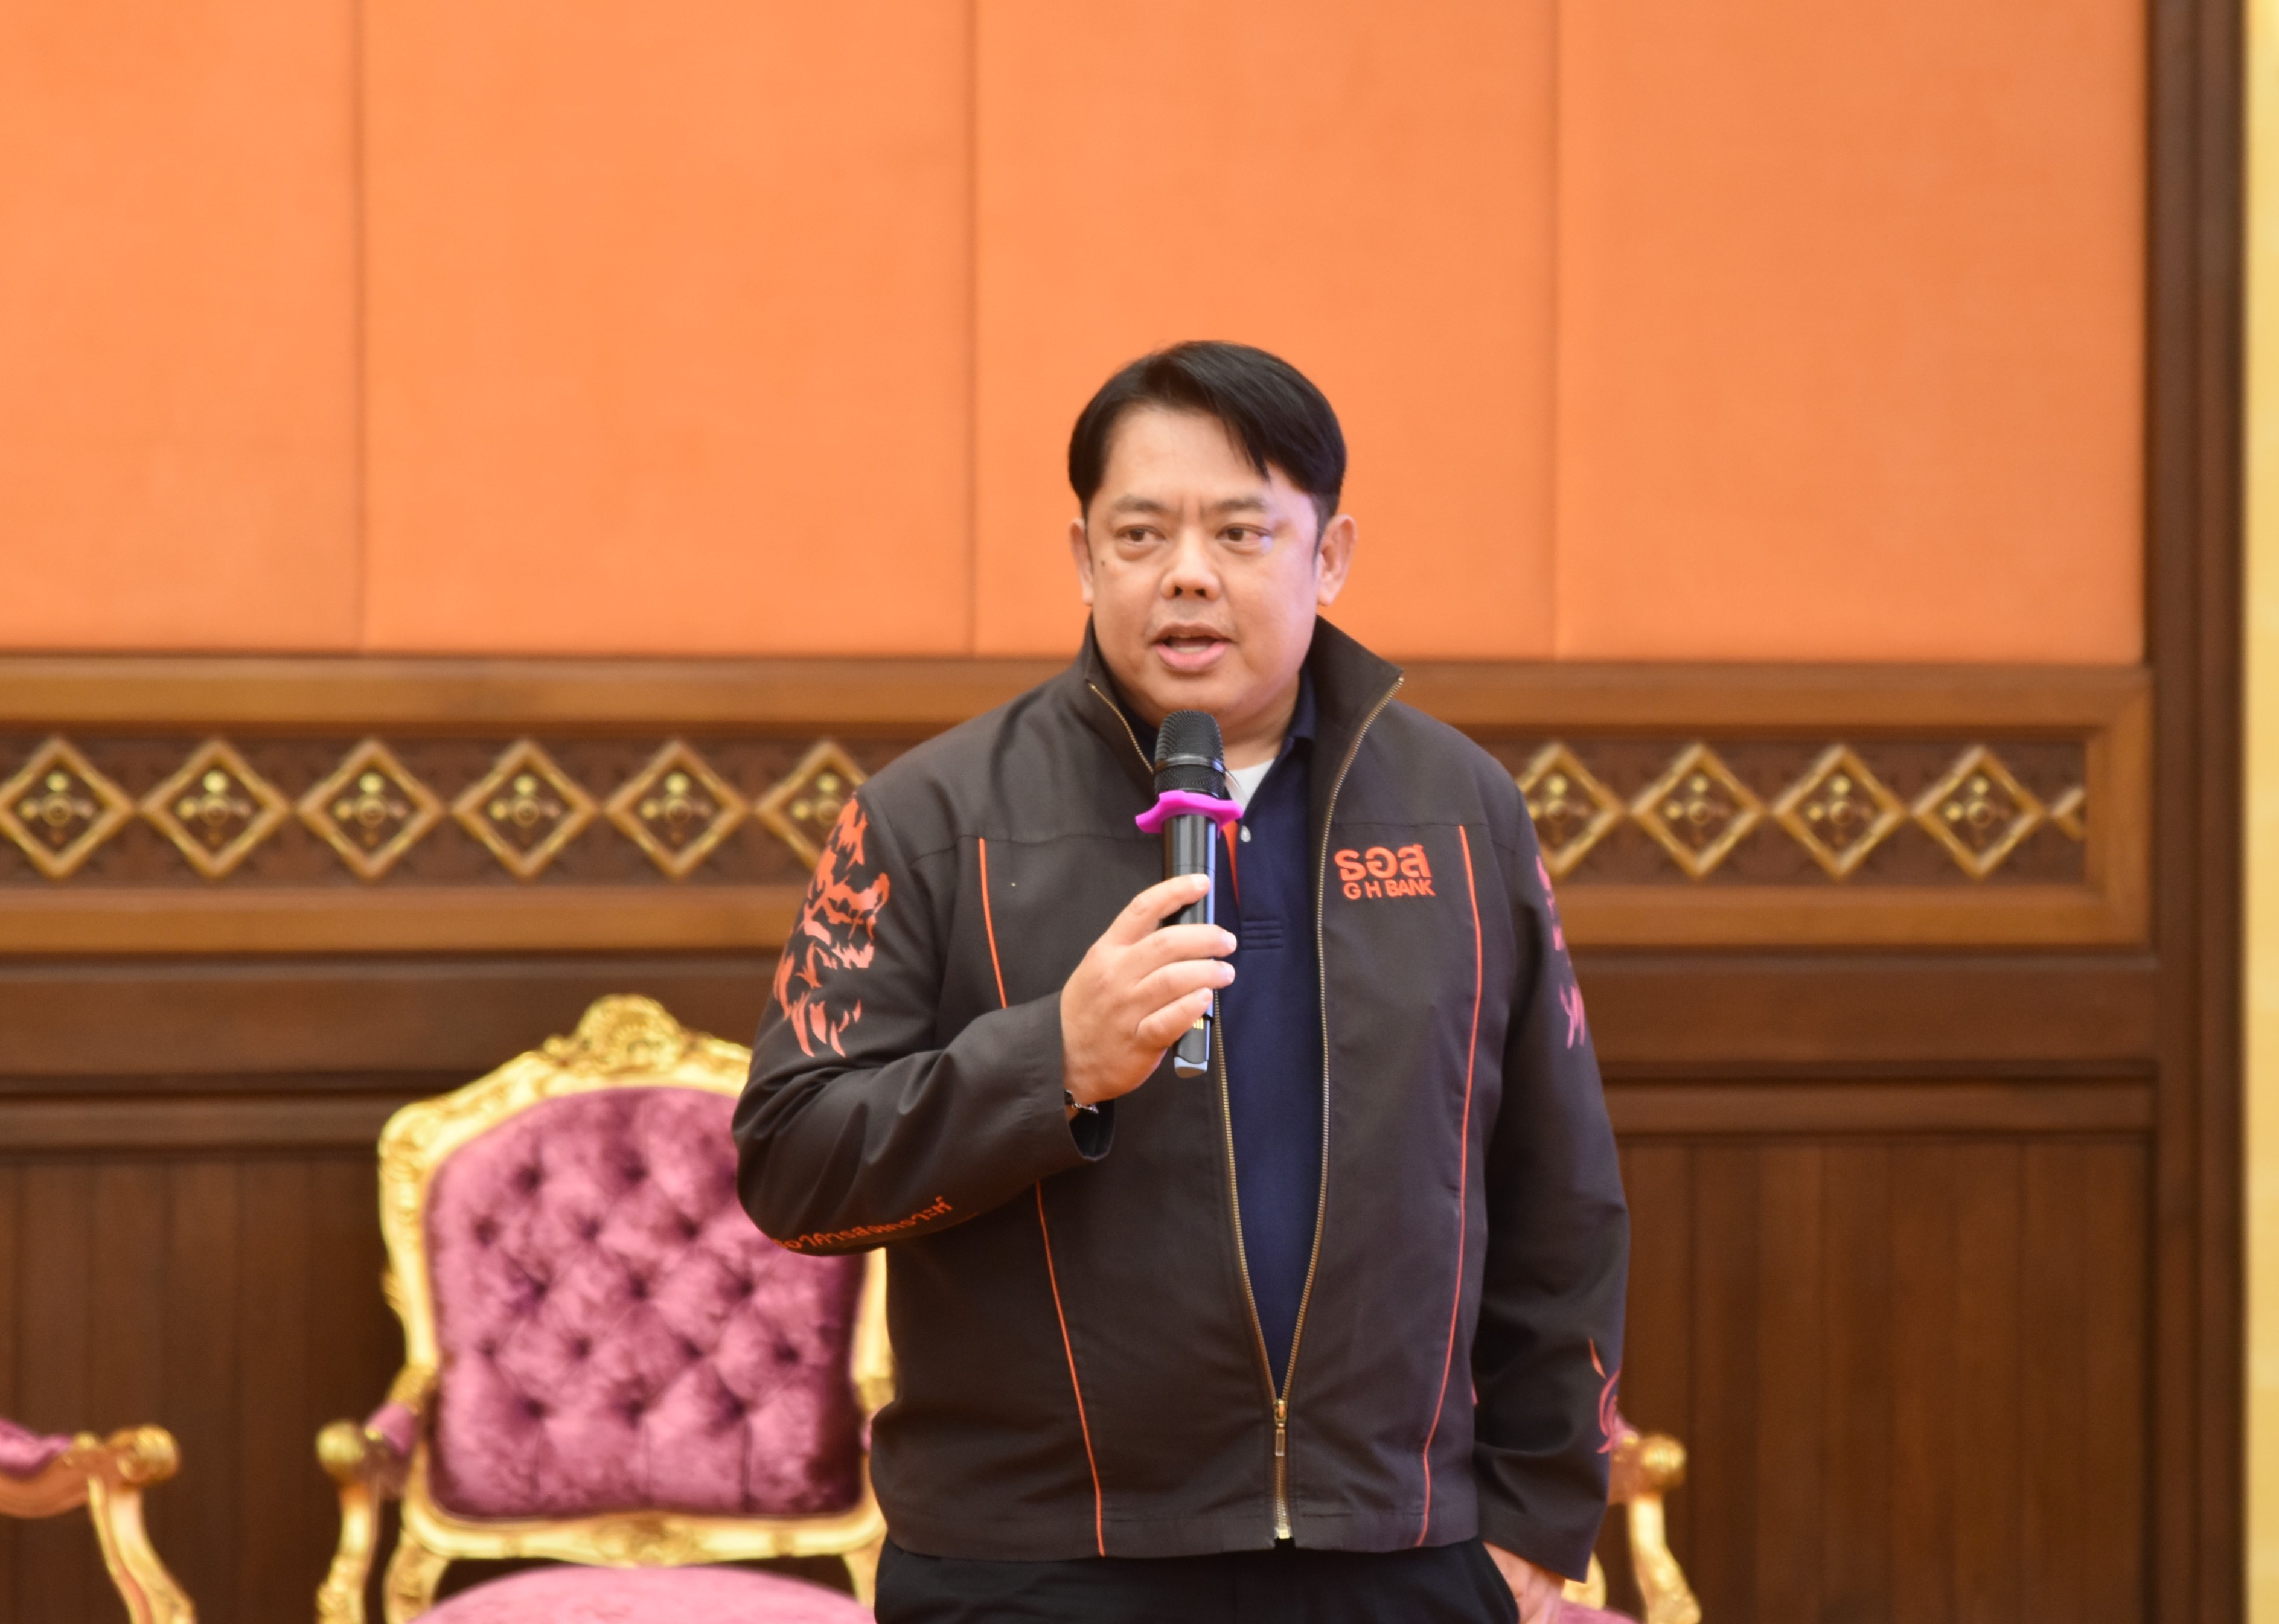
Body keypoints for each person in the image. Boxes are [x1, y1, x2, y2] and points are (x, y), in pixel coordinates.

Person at [734, 341, 1628, 1623]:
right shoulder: (930, 819)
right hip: (1031, 1559)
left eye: (1241, 532)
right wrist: (1053, 1062)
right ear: (1084, 558)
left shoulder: (1458, 812)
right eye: (1141, 534)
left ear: (1329, 555)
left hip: (1393, 1551)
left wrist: (1535, 1522)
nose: (1188, 573)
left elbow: (1562, 1191)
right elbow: (792, 1166)